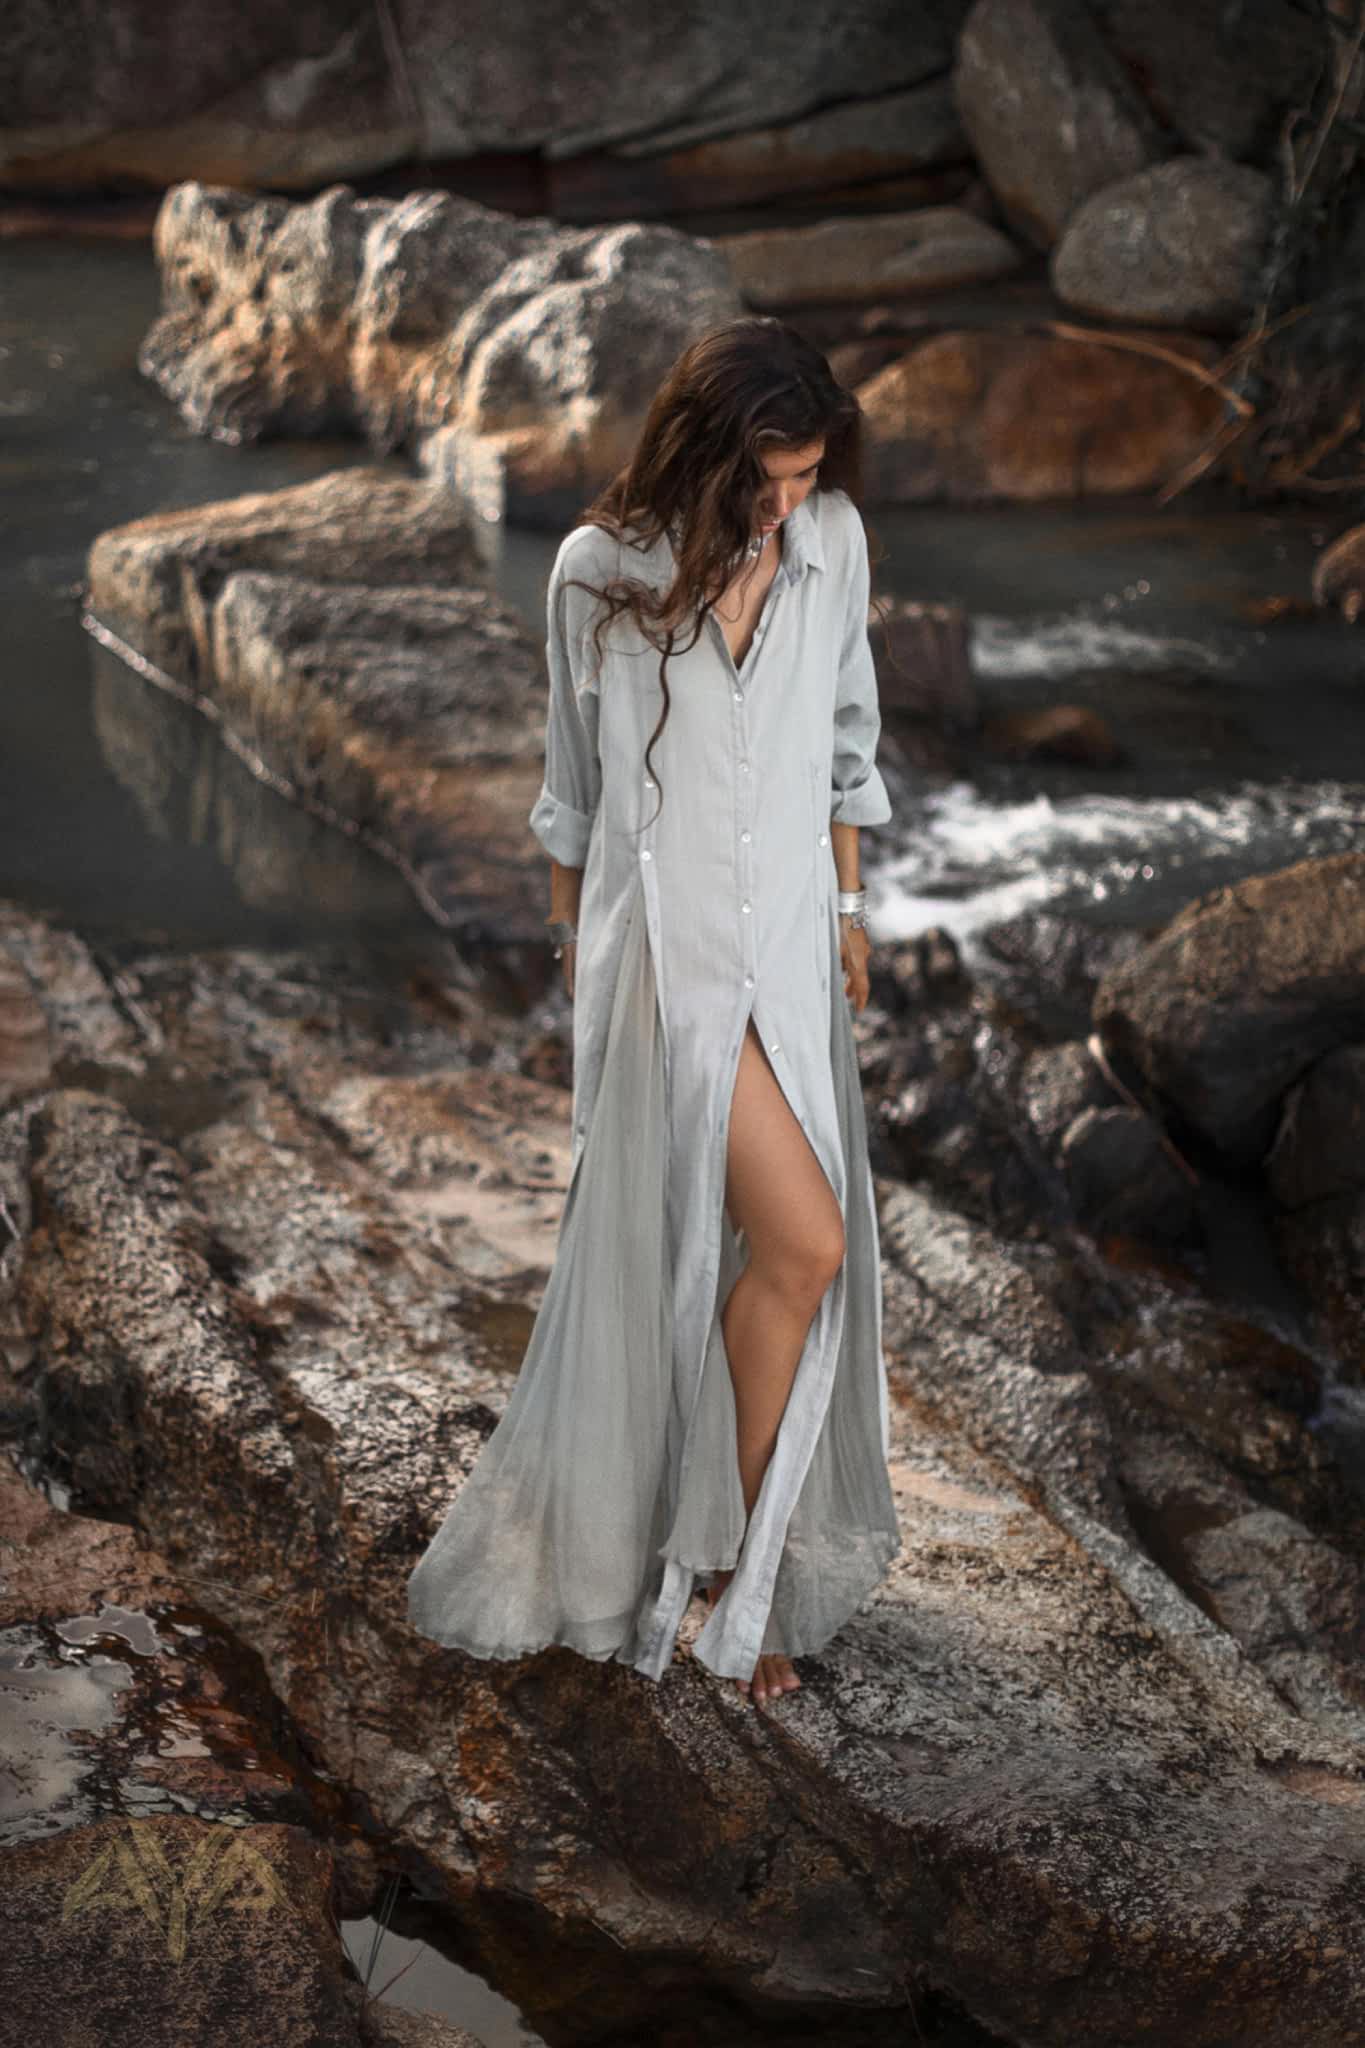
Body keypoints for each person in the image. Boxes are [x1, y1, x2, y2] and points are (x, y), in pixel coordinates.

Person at [407, 315, 901, 1709]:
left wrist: (853, 915)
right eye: (765, 478)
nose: (785, 505)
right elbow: (571, 791)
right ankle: (713, 1582)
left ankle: (734, 1577)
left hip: (791, 951)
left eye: (806, 475)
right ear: (700, 450)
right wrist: (577, 954)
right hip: (663, 968)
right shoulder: (594, 572)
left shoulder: (832, 544)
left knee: (779, 1260)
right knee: (789, 1248)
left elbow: (846, 744)